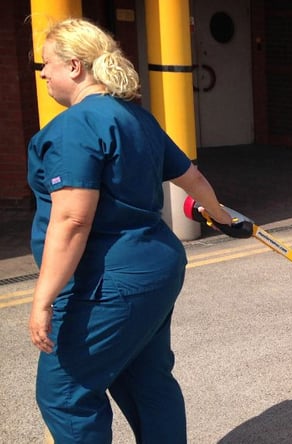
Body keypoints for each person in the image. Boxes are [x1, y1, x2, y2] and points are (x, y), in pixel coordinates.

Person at [27, 18, 233, 443]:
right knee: (146, 379)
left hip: (108, 283)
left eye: (46, 63)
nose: (42, 73)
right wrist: (225, 217)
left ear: (75, 67)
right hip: (154, 269)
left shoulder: (74, 127)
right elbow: (191, 176)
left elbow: (72, 219)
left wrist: (43, 299)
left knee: (65, 394)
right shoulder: (136, 118)